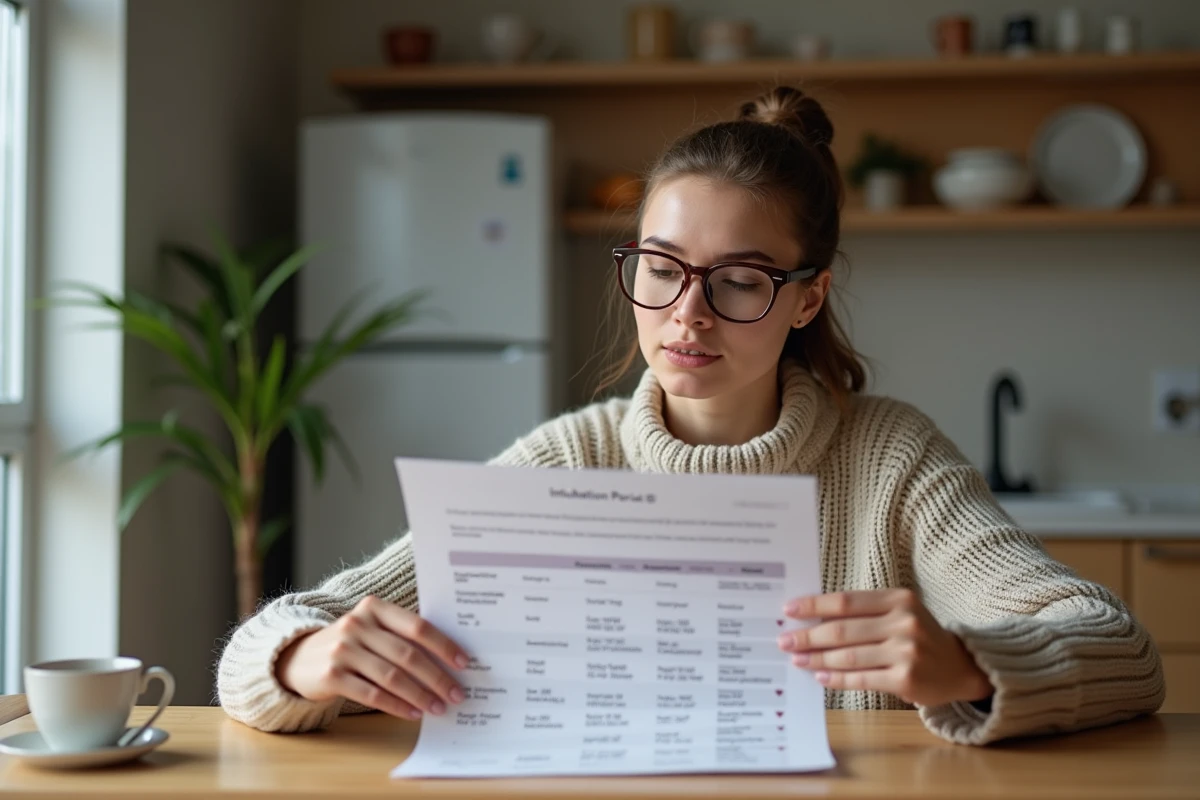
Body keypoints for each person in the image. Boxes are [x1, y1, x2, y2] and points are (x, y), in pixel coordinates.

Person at [217, 87, 1164, 746]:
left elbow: (1121, 649)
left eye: (740, 280)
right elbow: (270, 645)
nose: (687, 314)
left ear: (806, 297)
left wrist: (966, 664)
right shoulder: (562, 461)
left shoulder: (893, 461)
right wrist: (304, 655)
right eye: (662, 269)